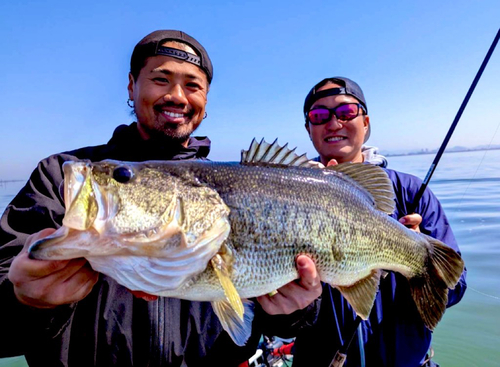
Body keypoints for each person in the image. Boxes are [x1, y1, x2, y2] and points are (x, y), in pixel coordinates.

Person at [0, 30, 322, 367]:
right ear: (131, 86)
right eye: (161, 79)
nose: (177, 96)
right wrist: (25, 301)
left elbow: (263, 319)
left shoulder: (236, 186)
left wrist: (295, 310)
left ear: (206, 100)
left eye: (193, 86)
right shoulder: (61, 177)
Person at [289, 77, 467, 367]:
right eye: (319, 116)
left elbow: (455, 287)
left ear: (366, 122)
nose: (334, 124)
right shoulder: (291, 193)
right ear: (309, 129)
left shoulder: (410, 192)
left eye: (346, 112)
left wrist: (418, 256)